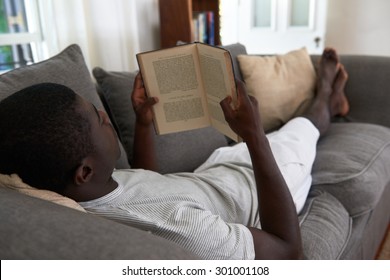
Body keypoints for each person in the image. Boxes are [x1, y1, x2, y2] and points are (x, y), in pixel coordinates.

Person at [0, 48, 349, 260]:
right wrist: (254, 136)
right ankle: (328, 98)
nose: (106, 115)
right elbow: (289, 252)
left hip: (215, 172)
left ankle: (322, 104)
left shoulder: (89, 188)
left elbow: (147, 185)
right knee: (304, 128)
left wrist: (142, 123)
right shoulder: (183, 232)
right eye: (100, 119)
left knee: (283, 130)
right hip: (262, 191)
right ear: (84, 172)